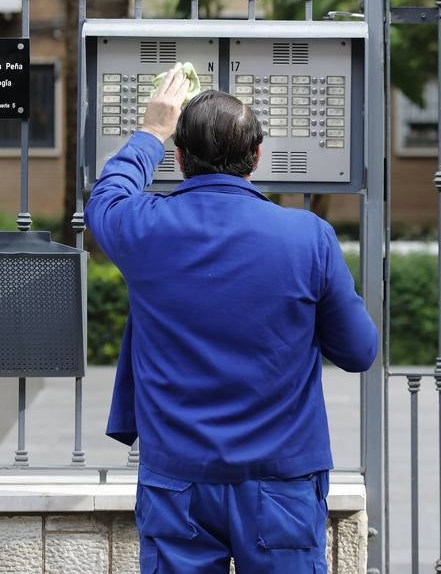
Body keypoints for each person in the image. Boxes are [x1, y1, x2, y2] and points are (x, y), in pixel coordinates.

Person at [85, 67, 378, 573]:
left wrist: (152, 131)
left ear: (179, 158)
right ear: (257, 156)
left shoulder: (143, 227)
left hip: (177, 481)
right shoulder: (308, 237)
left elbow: (106, 197)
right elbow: (358, 351)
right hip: (282, 479)